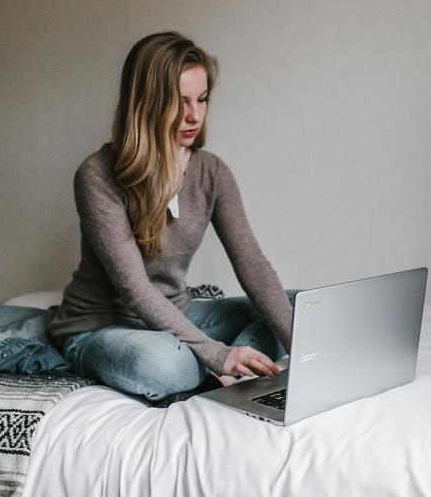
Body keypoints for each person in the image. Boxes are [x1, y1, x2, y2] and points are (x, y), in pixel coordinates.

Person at [48, 31, 295, 405]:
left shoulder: (212, 172)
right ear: (146, 103)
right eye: (179, 102)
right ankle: (221, 365)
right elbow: (135, 290)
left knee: (299, 306)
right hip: (102, 326)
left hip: (180, 314)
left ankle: (236, 370)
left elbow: (253, 265)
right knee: (164, 366)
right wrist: (217, 353)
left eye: (202, 99)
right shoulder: (97, 175)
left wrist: (303, 346)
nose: (194, 115)